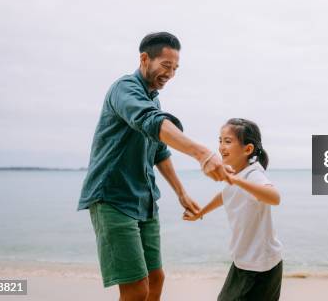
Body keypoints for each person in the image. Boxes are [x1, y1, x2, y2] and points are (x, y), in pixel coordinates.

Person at [77, 32, 230, 301]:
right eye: (166, 66)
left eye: (175, 69)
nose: (170, 74)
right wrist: (203, 153)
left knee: (156, 278)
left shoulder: (153, 98)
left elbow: (159, 150)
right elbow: (151, 122)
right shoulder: (124, 89)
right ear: (145, 59)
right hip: (112, 197)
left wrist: (181, 193)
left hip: (144, 200)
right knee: (136, 289)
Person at [184, 118, 283, 301]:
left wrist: (236, 180)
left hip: (259, 265)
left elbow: (275, 197)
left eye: (228, 141)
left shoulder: (253, 174)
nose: (221, 147)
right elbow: (226, 194)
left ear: (247, 149)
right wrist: (201, 212)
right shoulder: (238, 173)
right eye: (220, 141)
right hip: (245, 261)